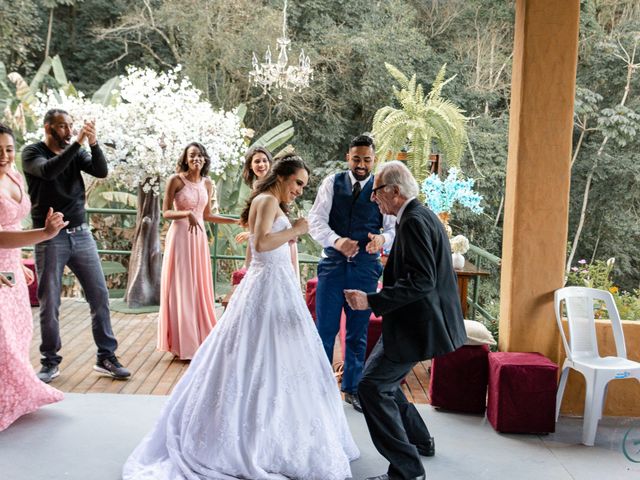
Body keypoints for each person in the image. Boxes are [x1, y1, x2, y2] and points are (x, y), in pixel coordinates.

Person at [123, 156, 359, 480]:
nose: (299, 191)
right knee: (255, 357)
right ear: (282, 177)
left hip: (276, 285)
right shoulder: (265, 199)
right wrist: (296, 229)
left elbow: (259, 245)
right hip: (266, 286)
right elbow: (261, 243)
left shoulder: (271, 201)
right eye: (298, 183)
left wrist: (290, 232)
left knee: (280, 359)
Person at [345, 161, 467, 480]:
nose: (373, 198)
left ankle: (407, 470)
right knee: (382, 381)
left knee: (371, 387)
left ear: (394, 191)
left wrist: (370, 300)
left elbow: (421, 280)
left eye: (377, 192)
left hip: (416, 326)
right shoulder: (418, 215)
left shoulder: (412, 221)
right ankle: (421, 440)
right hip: (410, 322)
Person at [21, 109, 131, 383]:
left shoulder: (75, 149)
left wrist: (92, 144)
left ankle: (106, 357)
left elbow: (101, 171)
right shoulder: (32, 153)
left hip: (81, 234)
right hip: (50, 237)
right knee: (50, 301)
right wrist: (79, 144)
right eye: (62, 126)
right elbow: (49, 171)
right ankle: (49, 361)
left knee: (99, 296)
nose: (68, 131)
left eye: (70, 126)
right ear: (48, 128)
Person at [308, 134, 395, 412]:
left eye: (367, 160)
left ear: (374, 160)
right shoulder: (331, 183)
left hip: (366, 270)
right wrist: (337, 241)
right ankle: (319, 388)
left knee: (357, 333)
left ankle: (352, 389)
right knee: (325, 330)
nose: (361, 164)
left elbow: (394, 228)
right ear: (348, 157)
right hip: (332, 268)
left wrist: (383, 240)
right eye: (356, 158)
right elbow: (316, 221)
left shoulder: (383, 188)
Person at [0, 123, 68, 431]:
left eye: (9, 149)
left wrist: (19, 262)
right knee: (3, 339)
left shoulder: (14, 176)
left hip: (11, 263)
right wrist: (45, 233)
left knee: (19, 330)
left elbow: (12, 226)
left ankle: (13, 396)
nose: (4, 155)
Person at [157, 142, 237, 360]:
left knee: (198, 287)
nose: (196, 159)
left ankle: (201, 338)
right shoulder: (175, 180)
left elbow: (208, 215)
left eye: (200, 155)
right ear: (186, 158)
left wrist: (237, 220)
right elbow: (165, 212)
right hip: (181, 238)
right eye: (192, 155)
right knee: (182, 287)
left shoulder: (207, 183)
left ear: (205, 159)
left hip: (199, 239)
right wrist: (186, 214)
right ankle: (184, 343)